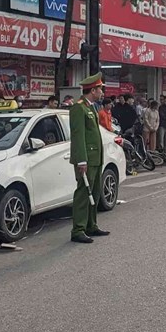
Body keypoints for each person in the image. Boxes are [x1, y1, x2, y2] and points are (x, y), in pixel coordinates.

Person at [69, 73, 109, 244]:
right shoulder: (78, 108)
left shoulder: (91, 107)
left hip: (95, 158)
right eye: (100, 89)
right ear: (93, 90)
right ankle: (78, 229)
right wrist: (81, 160)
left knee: (95, 191)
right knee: (83, 194)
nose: (102, 92)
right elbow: (78, 136)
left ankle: (91, 225)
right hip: (86, 159)